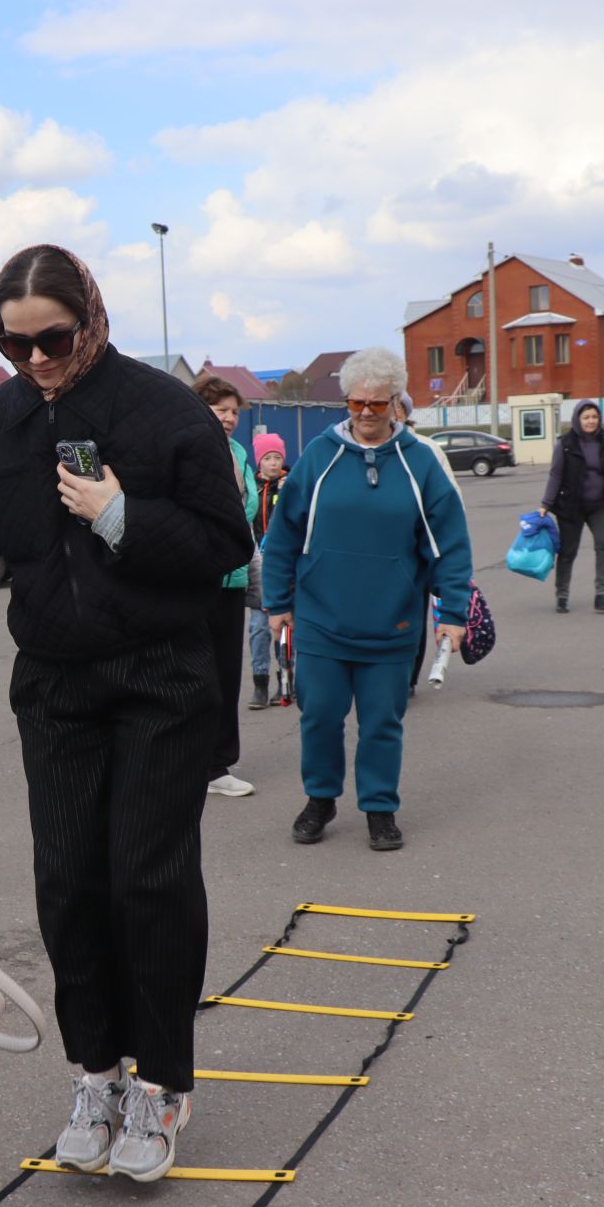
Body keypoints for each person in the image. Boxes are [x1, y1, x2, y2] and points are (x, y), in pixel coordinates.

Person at [0, 244, 252, 1183]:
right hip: (56, 683)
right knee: (69, 883)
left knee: (146, 880)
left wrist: (122, 515)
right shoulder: (1, 421)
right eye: (14, 345)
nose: (36, 360)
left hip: (162, 676)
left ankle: (161, 1083)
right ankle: (97, 1074)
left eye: (53, 339)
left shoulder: (163, 411)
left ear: (92, 318)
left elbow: (224, 542)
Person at [260, 347, 471, 852]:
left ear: (396, 402)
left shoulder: (419, 462)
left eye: (378, 404)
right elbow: (283, 536)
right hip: (320, 620)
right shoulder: (319, 456)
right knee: (319, 717)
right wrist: (277, 603)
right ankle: (320, 799)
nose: (367, 414)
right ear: (347, 402)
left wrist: (453, 611)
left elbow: (448, 544)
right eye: (357, 403)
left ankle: (380, 807)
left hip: (391, 623)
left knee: (381, 724)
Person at [190, 374, 259, 797]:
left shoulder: (239, 453)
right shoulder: (188, 448)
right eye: (221, 410)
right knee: (194, 674)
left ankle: (218, 764)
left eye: (234, 412)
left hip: (232, 577)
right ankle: (191, 760)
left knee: (227, 673)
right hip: (195, 577)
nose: (230, 418)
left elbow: (246, 506)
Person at [393, 392, 463, 691]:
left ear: (404, 412)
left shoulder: (426, 448)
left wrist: (449, 543)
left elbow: (452, 498)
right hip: (384, 549)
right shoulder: (371, 448)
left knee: (412, 612)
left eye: (395, 405)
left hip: (418, 548)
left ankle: (408, 677)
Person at [540, 399, 604, 613]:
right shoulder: (565, 443)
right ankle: (562, 596)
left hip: (601, 505)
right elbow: (556, 474)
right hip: (571, 506)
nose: (591, 421)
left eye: (594, 417)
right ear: (578, 419)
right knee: (568, 552)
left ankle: (601, 595)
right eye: (586, 417)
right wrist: (546, 504)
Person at [245, 433, 289, 709]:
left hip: (281, 566)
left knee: (283, 628)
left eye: (277, 457)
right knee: (258, 627)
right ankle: (260, 683)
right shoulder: (252, 487)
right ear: (258, 461)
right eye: (268, 458)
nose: (273, 463)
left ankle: (286, 680)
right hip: (257, 564)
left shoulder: (289, 486)